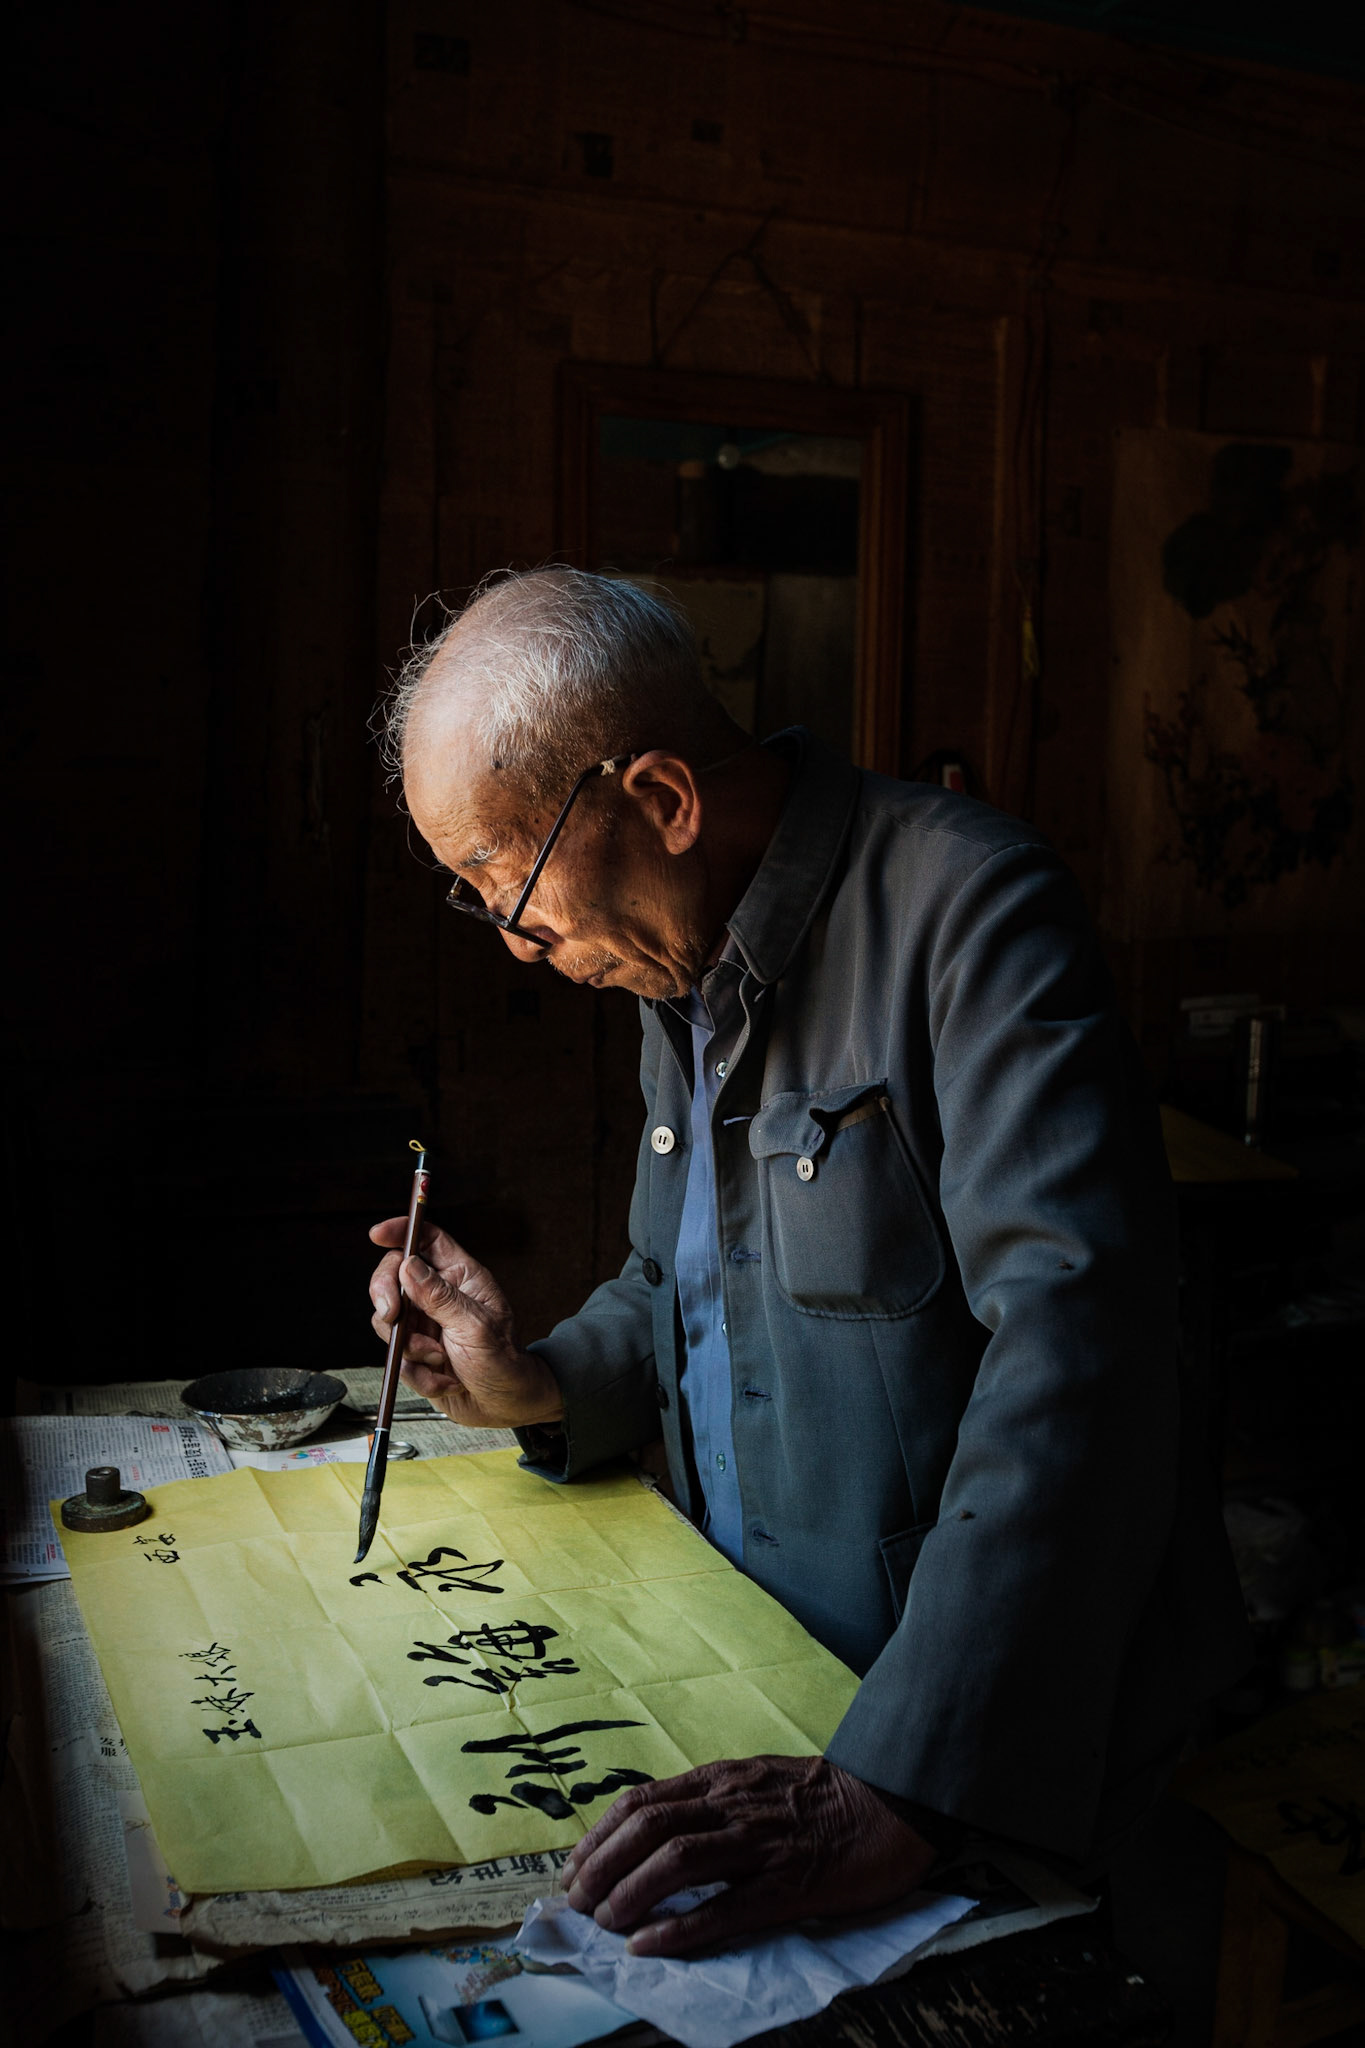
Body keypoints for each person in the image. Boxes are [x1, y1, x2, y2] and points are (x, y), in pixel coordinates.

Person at [368, 567, 1248, 1958]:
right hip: (776, 1682)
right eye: (471, 895)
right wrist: (529, 1377)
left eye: (505, 878)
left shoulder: (971, 911)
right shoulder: (679, 956)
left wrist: (902, 1775)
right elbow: (681, 1292)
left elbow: (1080, 1357)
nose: (513, 939)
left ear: (659, 802)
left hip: (988, 1742)